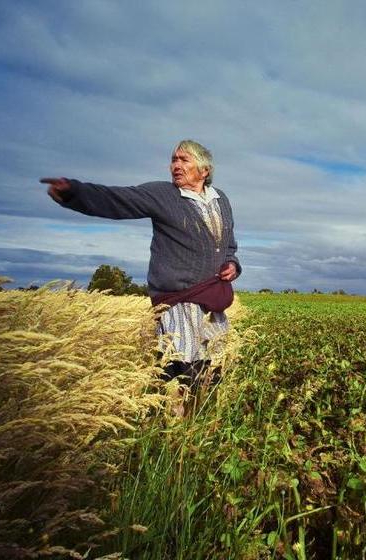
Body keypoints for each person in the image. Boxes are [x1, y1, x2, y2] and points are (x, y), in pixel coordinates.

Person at [41, 139, 240, 399]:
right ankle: (174, 426)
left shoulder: (220, 199)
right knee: (180, 370)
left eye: (183, 160)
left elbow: (229, 245)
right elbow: (119, 199)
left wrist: (233, 265)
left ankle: (202, 424)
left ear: (204, 170)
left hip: (212, 300)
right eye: (173, 159)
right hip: (178, 299)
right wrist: (74, 192)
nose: (175, 165)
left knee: (212, 369)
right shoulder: (163, 195)